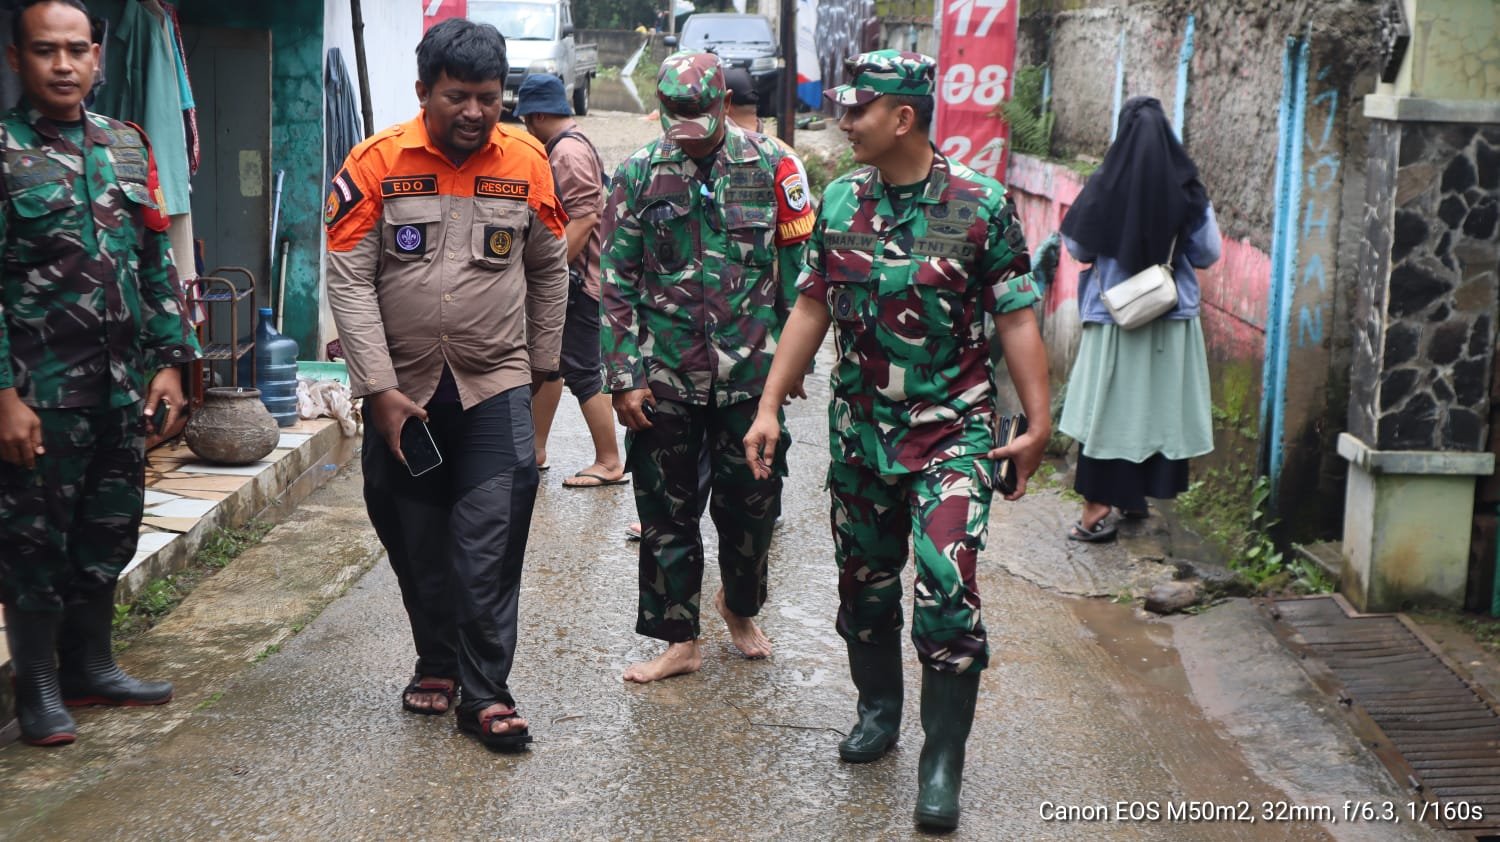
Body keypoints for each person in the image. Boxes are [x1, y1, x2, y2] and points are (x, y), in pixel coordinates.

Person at [744, 51, 1051, 830]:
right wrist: (771, 405)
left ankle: (941, 761)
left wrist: (1040, 423)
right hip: (860, 435)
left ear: (903, 117)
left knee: (948, 591)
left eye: (859, 110)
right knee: (866, 587)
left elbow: (1015, 314)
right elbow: (812, 305)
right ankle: (878, 710)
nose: (845, 123)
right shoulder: (842, 200)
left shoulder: (977, 204)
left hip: (953, 431)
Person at [324, 18, 568, 751]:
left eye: (488, 98)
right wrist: (377, 387)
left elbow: (550, 266)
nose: (473, 112)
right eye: (457, 96)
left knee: (488, 544)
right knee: (416, 539)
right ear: (423, 91)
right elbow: (350, 277)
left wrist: (542, 366)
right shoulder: (375, 164)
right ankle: (436, 660)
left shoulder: (526, 161)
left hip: (494, 385)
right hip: (403, 394)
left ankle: (486, 694)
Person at [0, 0, 198, 748]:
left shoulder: (124, 144)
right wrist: (4, 398)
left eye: (76, 50)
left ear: (98, 58)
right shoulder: (4, 151)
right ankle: (39, 687)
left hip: (119, 388)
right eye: (45, 50)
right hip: (38, 396)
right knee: (32, 542)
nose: (62, 64)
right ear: (17, 60)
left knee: (107, 532)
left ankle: (91, 666)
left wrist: (172, 365)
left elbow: (152, 263)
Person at [601, 50, 814, 683]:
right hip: (665, 376)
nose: (689, 123)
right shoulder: (639, 173)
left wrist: (790, 363)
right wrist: (622, 377)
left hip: (752, 378)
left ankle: (739, 606)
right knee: (666, 511)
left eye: (700, 111)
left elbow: (802, 276)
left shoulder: (774, 164)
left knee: (754, 504)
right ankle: (678, 639)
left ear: (724, 103)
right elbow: (616, 280)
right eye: (678, 113)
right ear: (662, 109)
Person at [1057, 96, 1218, 543]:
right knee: (1156, 411)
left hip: (1114, 319)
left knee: (1109, 414)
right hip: (1170, 319)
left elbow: (1077, 249)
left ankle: (1095, 511)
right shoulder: (1190, 191)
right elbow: (1208, 253)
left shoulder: (1104, 186)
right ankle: (1136, 498)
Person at [513, 74, 625, 488]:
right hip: (576, 279)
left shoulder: (567, 153)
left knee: (582, 370)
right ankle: (535, 449)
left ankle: (610, 461)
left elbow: (585, 217)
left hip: (579, 282)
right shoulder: (569, 145)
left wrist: (552, 271)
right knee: (552, 365)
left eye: (527, 119)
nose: (526, 128)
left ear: (539, 114)